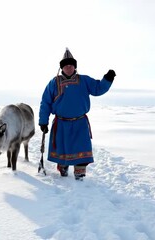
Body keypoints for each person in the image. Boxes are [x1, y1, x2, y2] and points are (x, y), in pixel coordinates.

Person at [38, 48, 116, 180]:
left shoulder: (84, 80)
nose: (69, 67)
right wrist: (43, 121)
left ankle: (79, 175)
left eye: (71, 64)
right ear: (62, 67)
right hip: (61, 123)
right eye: (66, 65)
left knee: (82, 148)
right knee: (63, 149)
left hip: (80, 123)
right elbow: (45, 102)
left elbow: (98, 88)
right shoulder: (54, 82)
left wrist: (107, 79)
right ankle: (63, 168)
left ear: (75, 66)